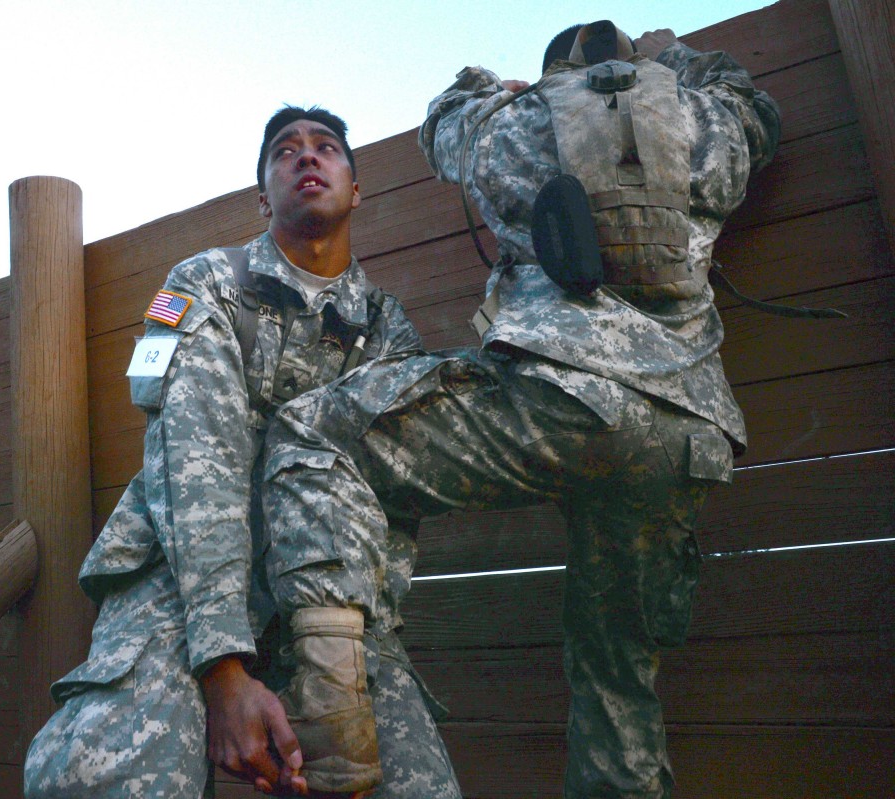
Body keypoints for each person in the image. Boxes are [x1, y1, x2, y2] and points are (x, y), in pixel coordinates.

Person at [261, 23, 779, 798]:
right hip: (687, 435)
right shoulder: (711, 123)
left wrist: (493, 88)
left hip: (561, 398)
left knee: (310, 428)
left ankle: (331, 725)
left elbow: (445, 116)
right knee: (618, 677)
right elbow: (755, 105)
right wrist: (673, 59)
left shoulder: (518, 126)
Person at [24, 107, 461, 798]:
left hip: (329, 591)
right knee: (106, 771)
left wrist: (346, 620)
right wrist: (223, 663)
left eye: (326, 149)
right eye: (285, 151)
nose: (306, 157)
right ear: (263, 195)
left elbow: (391, 492)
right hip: (181, 582)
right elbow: (198, 452)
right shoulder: (201, 283)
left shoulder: (386, 328)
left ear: (356, 188)